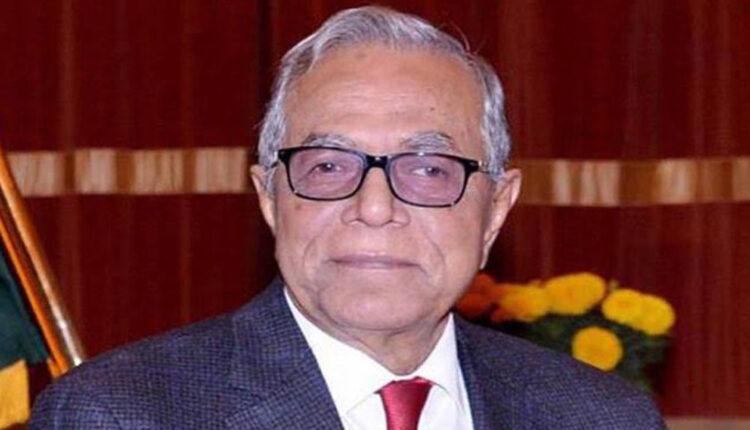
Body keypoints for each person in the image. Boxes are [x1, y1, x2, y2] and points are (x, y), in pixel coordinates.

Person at [31, 6, 665, 429]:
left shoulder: (603, 417)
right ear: (270, 197)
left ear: (496, 209)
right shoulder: (119, 414)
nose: (375, 208)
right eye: (329, 166)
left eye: (428, 169)